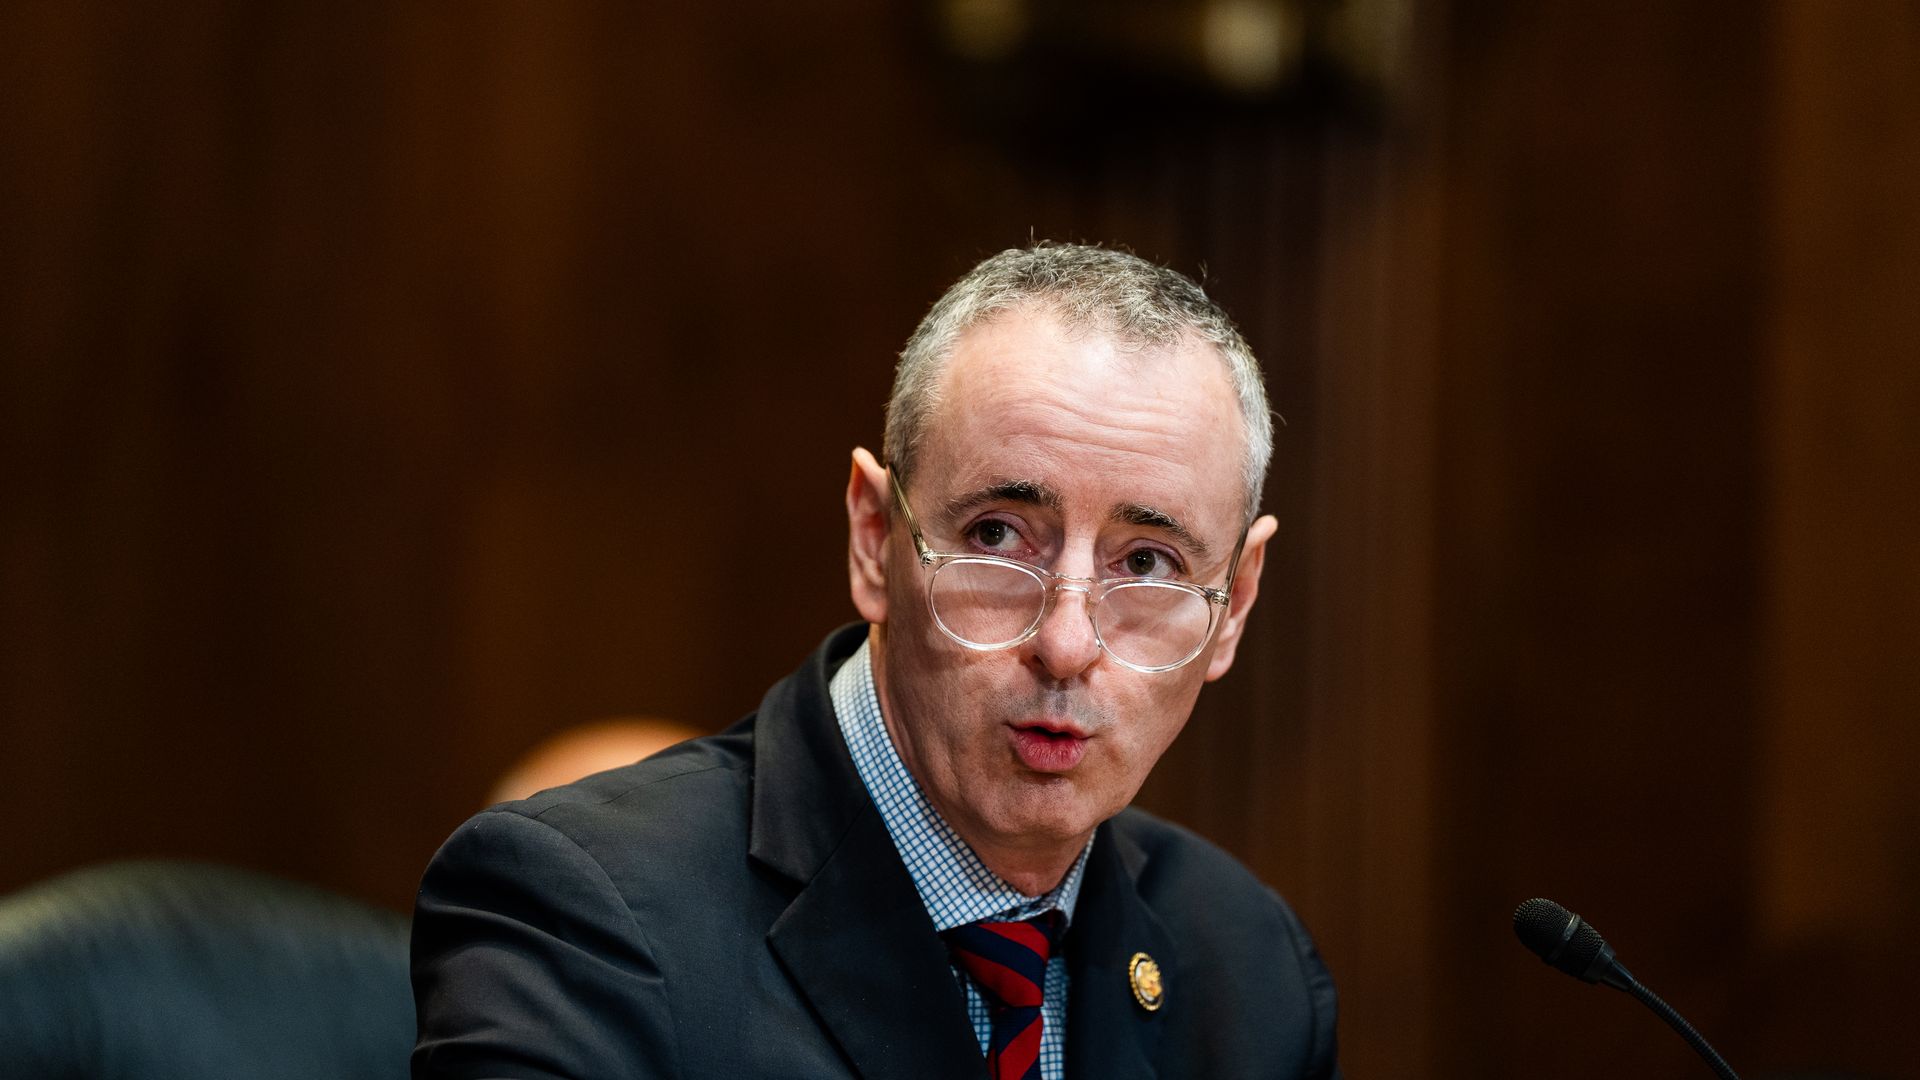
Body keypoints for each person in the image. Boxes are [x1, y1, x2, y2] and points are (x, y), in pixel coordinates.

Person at [410, 243, 1340, 1079]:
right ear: (872, 538)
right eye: (999, 537)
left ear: (1234, 606)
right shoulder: (585, 915)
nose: (1065, 644)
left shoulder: (1252, 978)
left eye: (1147, 563)